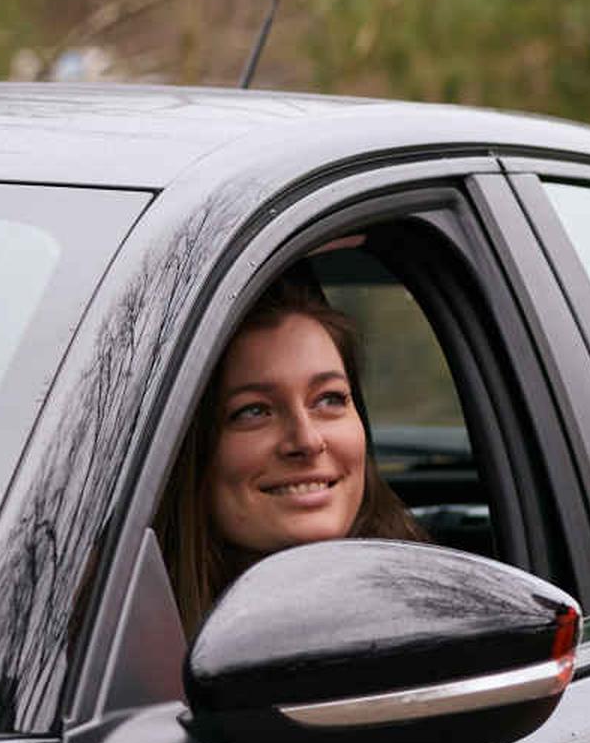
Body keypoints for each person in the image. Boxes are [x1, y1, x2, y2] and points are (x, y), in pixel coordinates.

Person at [162, 267, 423, 631]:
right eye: (254, 411)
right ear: (185, 451)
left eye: (329, 399)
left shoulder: (433, 607)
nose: (307, 441)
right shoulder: (114, 638)